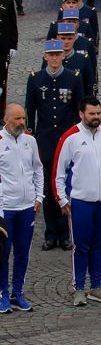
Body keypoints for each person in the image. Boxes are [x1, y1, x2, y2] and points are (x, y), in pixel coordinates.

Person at [53, 97, 101, 307]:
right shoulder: (70, 138)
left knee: (99, 244)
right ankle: (78, 288)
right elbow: (58, 171)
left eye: (98, 113)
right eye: (92, 114)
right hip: (81, 202)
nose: (96, 118)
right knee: (81, 246)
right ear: (81, 114)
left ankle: (96, 287)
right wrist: (62, 199)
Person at [27, 40, 84, 250]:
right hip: (45, 142)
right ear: (45, 56)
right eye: (50, 55)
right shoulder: (35, 79)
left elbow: (80, 109)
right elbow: (30, 110)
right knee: (49, 189)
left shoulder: (73, 78)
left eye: (57, 54)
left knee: (67, 187)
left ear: (63, 56)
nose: (53, 58)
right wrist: (31, 138)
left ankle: (66, 233)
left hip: (67, 141)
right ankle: (51, 233)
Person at [0, 103, 42, 312]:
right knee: (3, 253)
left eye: (23, 118)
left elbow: (38, 169)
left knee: (23, 252)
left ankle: (18, 292)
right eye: (17, 119)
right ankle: (2, 293)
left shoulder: (30, 142)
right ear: (6, 119)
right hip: (6, 208)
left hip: (27, 207)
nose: (22, 123)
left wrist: (39, 196)